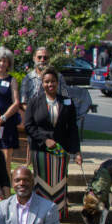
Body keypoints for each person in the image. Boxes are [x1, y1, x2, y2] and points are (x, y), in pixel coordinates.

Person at [24, 67, 82, 215]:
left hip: (61, 151)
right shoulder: (34, 102)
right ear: (42, 83)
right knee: (41, 183)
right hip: (41, 150)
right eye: (47, 81)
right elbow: (29, 126)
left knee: (60, 182)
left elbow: (73, 129)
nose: (50, 84)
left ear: (57, 83)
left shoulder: (67, 102)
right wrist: (45, 140)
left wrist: (76, 151)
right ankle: (40, 214)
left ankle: (58, 214)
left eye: (53, 81)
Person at [0, 47, 21, 177]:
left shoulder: (12, 80)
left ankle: (5, 188)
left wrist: (4, 117)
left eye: (5, 61)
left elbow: (16, 102)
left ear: (9, 64)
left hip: (7, 123)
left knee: (6, 157)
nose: (1, 63)